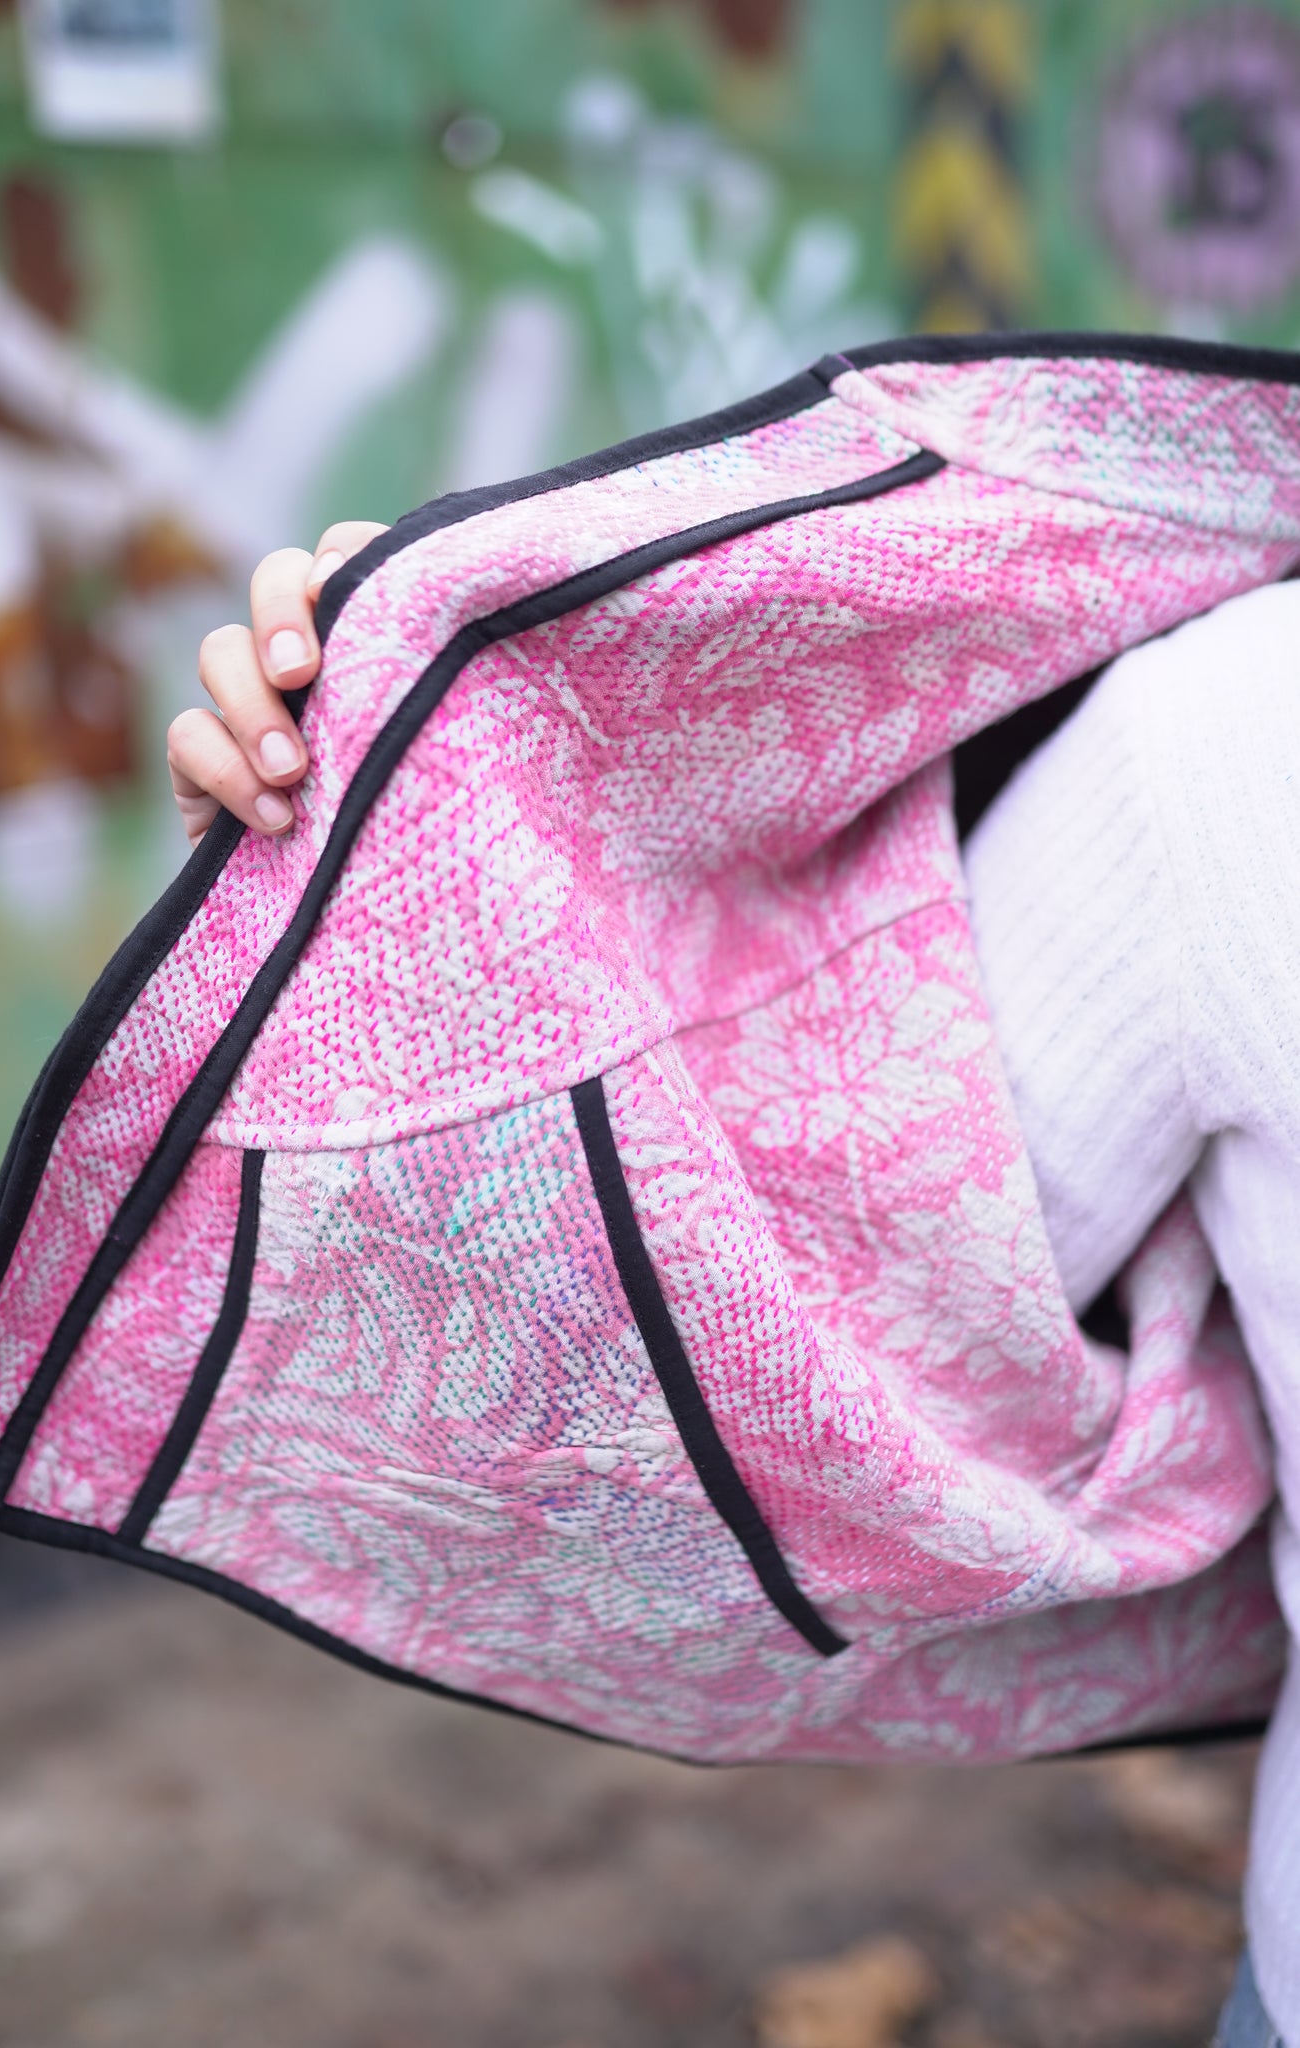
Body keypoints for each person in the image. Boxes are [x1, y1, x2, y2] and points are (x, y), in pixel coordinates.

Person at [168, 536, 1300, 2048]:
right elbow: (721, 1343)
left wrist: (381, 873)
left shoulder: (1237, 739)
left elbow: (707, 1353)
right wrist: (388, 808)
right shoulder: (1237, 746)